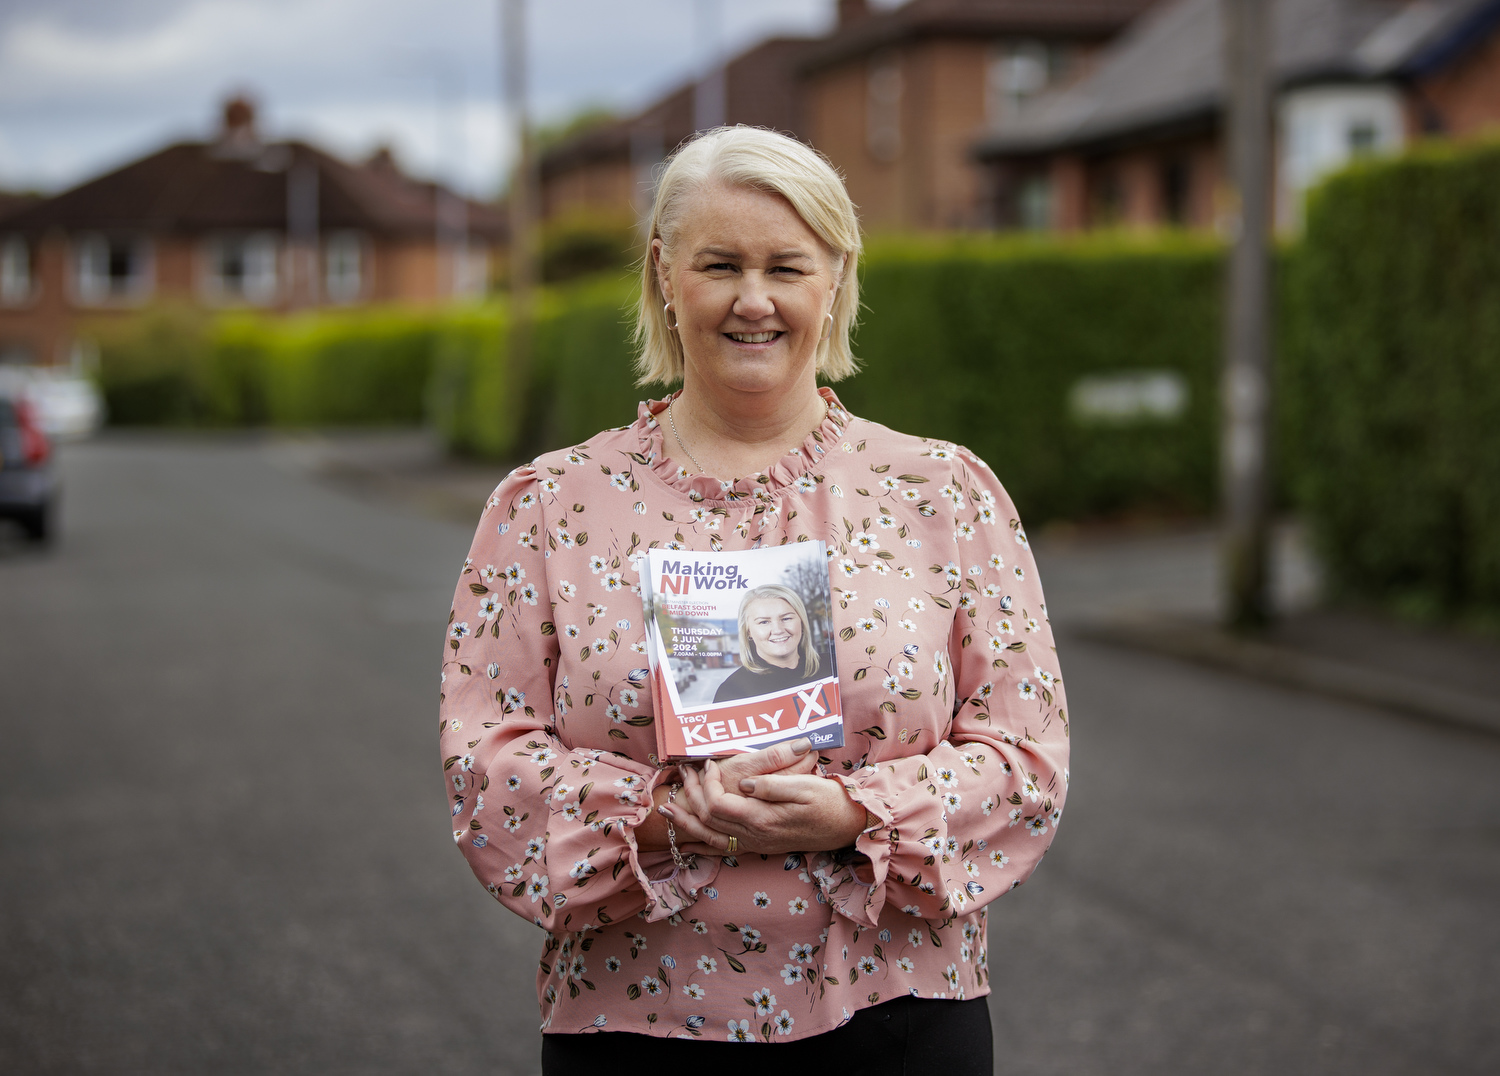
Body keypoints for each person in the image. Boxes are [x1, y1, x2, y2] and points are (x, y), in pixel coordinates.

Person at [439, 126, 1069, 1075]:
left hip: (899, 1016)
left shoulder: (942, 493)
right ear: (663, 273)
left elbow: (1026, 759)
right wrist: (660, 816)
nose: (754, 300)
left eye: (787, 266)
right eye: (719, 263)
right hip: (633, 1026)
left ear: (835, 278)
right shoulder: (548, 505)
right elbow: (485, 768)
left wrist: (856, 813)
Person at [712, 584, 823, 704]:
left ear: (801, 622)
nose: (778, 630)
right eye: (764, 622)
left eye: (786, 619)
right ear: (748, 631)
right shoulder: (732, 691)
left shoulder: (834, 667)